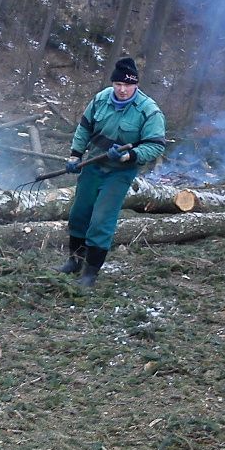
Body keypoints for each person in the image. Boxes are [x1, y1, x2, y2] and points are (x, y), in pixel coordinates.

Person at [59, 57, 166, 287]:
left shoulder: (148, 111)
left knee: (101, 219)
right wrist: (75, 155)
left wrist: (130, 155)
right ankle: (75, 261)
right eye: (118, 84)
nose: (122, 90)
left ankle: (90, 272)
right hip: (93, 165)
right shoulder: (100, 99)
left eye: (127, 85)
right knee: (79, 213)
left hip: (120, 172)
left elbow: (156, 144)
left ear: (136, 85)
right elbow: (84, 128)